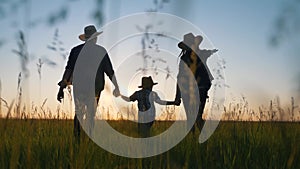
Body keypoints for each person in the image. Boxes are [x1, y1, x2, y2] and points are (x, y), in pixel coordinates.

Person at [57, 25, 120, 142]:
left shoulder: (75, 51)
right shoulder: (101, 51)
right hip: (95, 88)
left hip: (79, 87)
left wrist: (61, 88)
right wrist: (117, 87)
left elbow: (68, 69)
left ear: (85, 38)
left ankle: (77, 141)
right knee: (91, 115)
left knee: (79, 113)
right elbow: (109, 71)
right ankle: (89, 140)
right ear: (95, 38)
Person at [174, 33, 218, 134]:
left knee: (196, 118)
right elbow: (180, 77)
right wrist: (177, 96)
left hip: (199, 89)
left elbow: (179, 77)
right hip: (192, 90)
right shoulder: (186, 58)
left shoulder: (199, 54)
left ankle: (203, 139)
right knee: (192, 119)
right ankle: (197, 141)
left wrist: (177, 96)